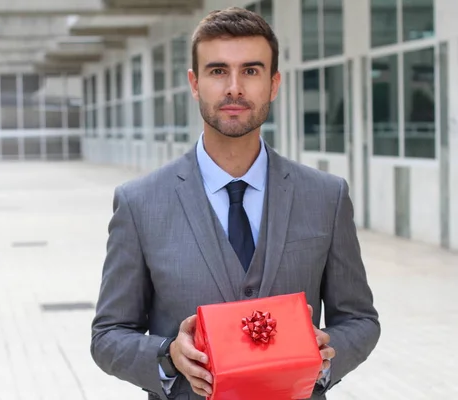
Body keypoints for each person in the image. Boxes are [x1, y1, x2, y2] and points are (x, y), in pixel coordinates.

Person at [90, 7, 380, 400]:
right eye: (217, 71)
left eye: (251, 71)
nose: (234, 88)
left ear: (274, 84)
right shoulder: (140, 203)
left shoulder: (326, 196)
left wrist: (326, 354)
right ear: (194, 83)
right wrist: (167, 355)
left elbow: (360, 319)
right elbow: (108, 336)